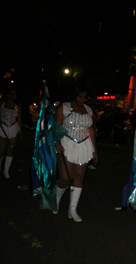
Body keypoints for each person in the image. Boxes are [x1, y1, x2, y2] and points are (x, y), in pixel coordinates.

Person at [54, 84, 98, 222]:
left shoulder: (88, 109)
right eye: (80, 96)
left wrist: (95, 151)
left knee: (79, 177)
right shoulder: (64, 107)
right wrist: (57, 143)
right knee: (65, 178)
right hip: (66, 143)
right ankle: (55, 200)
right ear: (74, 95)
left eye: (85, 96)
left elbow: (91, 131)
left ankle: (72, 210)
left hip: (84, 145)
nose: (83, 99)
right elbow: (57, 127)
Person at [0, 89, 23, 179]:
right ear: (7, 95)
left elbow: (19, 120)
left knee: (10, 150)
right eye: (11, 93)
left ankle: (6, 170)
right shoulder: (1, 105)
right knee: (0, 151)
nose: (13, 95)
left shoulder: (17, 107)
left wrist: (21, 134)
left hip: (13, 129)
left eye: (14, 94)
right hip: (3, 128)